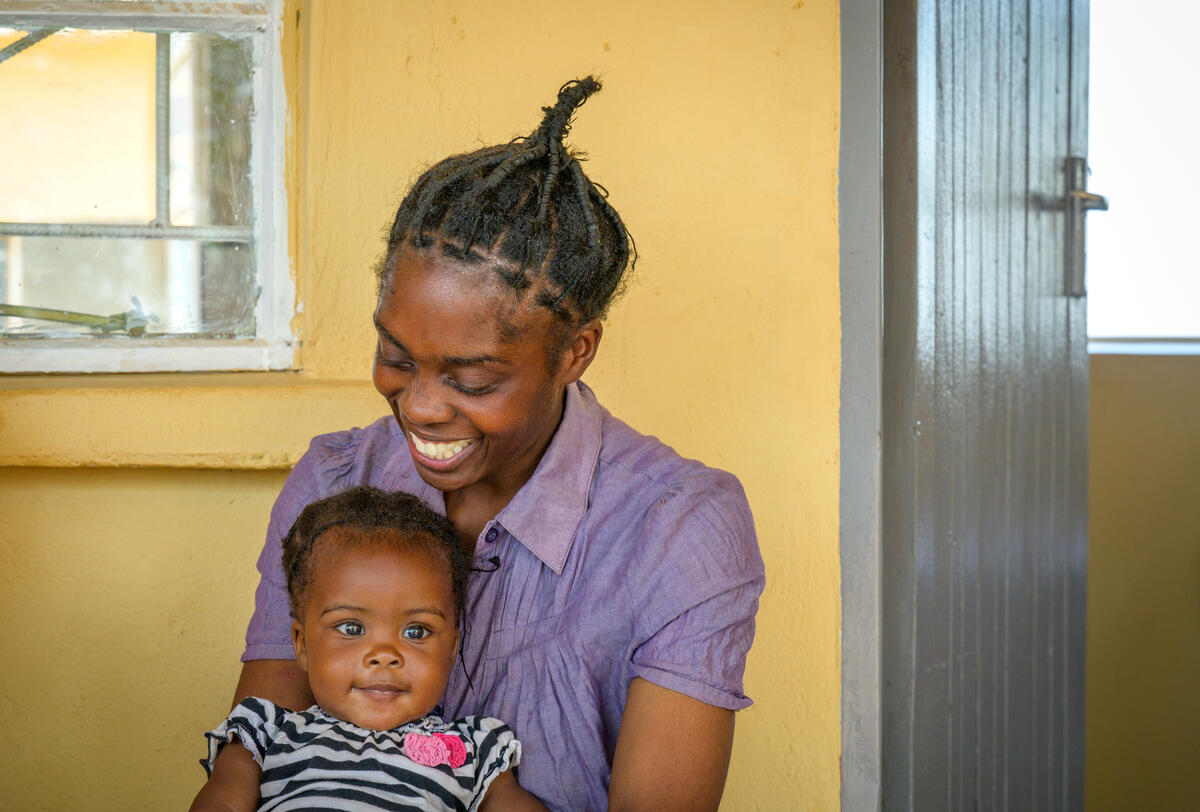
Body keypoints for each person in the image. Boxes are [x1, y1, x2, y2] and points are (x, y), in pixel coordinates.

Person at [230, 76, 765, 810]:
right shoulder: (332, 481)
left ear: (575, 352)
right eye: (397, 356)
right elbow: (254, 754)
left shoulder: (678, 528)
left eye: (473, 380)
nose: (418, 406)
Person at [192, 487, 547, 811]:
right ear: (302, 645)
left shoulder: (474, 749)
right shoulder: (266, 731)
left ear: (452, 647)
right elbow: (223, 802)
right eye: (352, 628)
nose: (384, 653)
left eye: (416, 630)